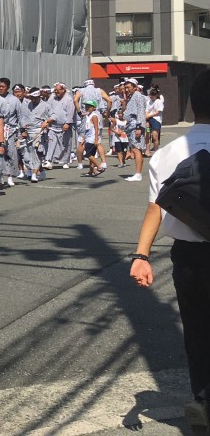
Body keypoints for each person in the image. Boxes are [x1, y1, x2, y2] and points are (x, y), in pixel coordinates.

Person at [129, 68, 210, 436]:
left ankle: (203, 399)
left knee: (197, 331)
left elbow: (154, 210)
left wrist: (141, 256)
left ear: (192, 104)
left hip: (190, 258)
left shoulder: (166, 154)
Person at [122, 78, 148, 182]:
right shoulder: (131, 97)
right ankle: (137, 173)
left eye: (128, 87)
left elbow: (141, 112)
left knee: (137, 150)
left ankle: (138, 174)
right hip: (131, 126)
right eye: (125, 88)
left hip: (136, 126)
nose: (126, 90)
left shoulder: (138, 96)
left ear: (135, 87)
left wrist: (139, 127)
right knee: (135, 149)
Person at [80, 100, 103, 177]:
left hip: (92, 138)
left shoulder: (94, 116)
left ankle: (99, 167)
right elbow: (87, 129)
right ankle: (91, 170)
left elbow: (96, 128)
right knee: (92, 155)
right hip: (88, 137)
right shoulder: (88, 116)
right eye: (86, 106)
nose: (87, 108)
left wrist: (96, 139)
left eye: (89, 106)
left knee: (88, 154)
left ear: (94, 108)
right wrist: (84, 138)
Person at [145, 86, 164, 156]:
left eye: (152, 96)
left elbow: (158, 112)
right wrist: (147, 116)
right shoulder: (148, 102)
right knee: (147, 134)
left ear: (156, 95)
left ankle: (156, 150)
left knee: (155, 136)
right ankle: (147, 150)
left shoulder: (159, 101)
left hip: (156, 120)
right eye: (150, 96)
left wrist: (149, 115)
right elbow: (146, 110)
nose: (151, 97)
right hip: (148, 120)